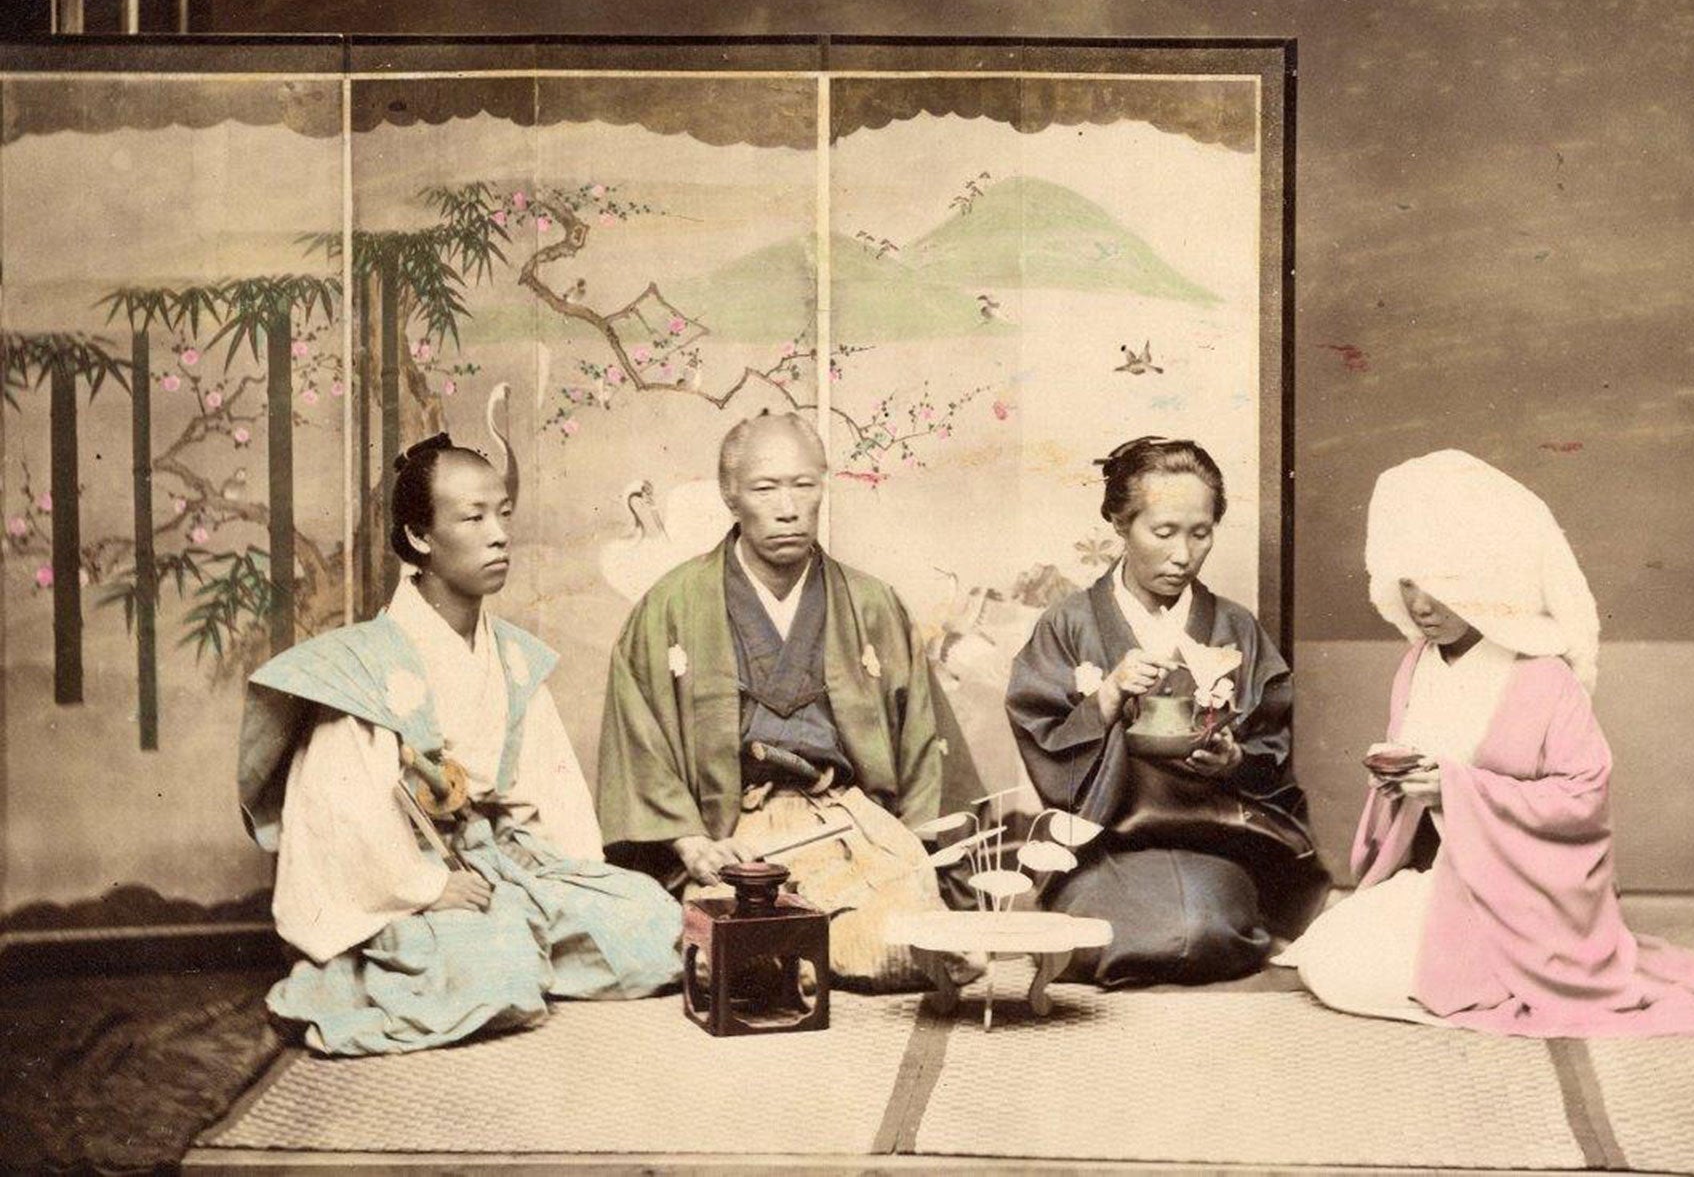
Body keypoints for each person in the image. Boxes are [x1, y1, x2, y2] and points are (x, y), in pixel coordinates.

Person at [1280, 448, 1694, 1037]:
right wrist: (1401, 784)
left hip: (1521, 902)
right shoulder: (1418, 663)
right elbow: (1413, 804)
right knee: (1333, 958)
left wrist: (1454, 788)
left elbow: (1584, 800)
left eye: (1442, 581)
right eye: (1408, 580)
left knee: (1357, 974)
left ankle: (1493, 972)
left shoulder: (1541, 675)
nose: (1420, 604)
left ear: (1486, 578)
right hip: (1444, 878)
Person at [237, 434, 684, 1056]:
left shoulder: (513, 658)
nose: (499, 534)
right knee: (497, 975)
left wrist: (555, 870)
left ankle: (516, 943)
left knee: (652, 922)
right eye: (473, 517)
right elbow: (341, 818)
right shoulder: (365, 670)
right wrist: (427, 887)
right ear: (420, 536)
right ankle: (494, 954)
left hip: (498, 863)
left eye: (503, 513)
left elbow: (548, 794)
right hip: (408, 883)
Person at [596, 412, 949, 990]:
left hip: (846, 819)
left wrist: (912, 844)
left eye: (803, 485)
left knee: (910, 948)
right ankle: (790, 954)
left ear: (822, 487)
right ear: (730, 497)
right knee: (729, 949)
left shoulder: (872, 603)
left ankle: (813, 953)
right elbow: (641, 744)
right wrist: (692, 844)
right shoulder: (670, 606)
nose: (788, 506)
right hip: (734, 829)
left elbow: (918, 747)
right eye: (765, 488)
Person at [1006, 437, 1327, 986]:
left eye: (1200, 533)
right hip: (1102, 850)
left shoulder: (1235, 626)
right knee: (1114, 938)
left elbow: (1272, 754)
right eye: (1163, 532)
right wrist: (1106, 696)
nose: (1183, 554)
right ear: (1120, 524)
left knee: (1202, 931)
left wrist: (1232, 761)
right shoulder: (1070, 624)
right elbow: (1044, 741)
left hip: (1214, 844)